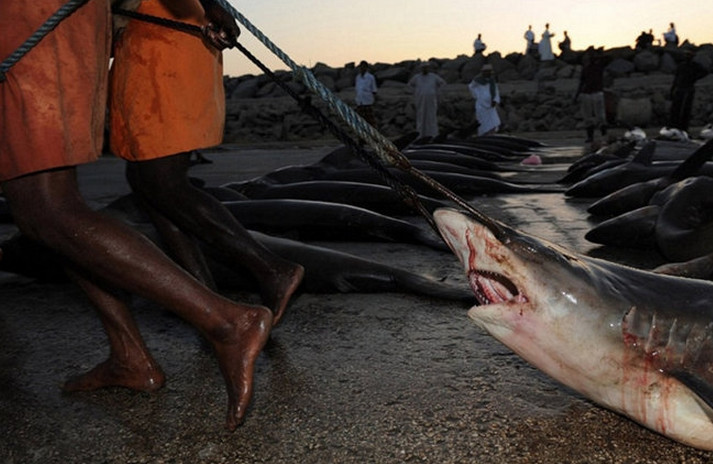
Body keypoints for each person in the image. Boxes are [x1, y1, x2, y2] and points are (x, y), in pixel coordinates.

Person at [0, 0, 301, 431]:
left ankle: (229, 319)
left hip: (36, 24)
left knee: (54, 208)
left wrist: (207, 6)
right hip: (68, 30)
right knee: (56, 214)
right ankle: (131, 353)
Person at [669, 49, 708, 132]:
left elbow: (705, 72)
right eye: (686, 54)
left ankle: (683, 128)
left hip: (688, 90)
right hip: (679, 89)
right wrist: (672, 89)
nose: (687, 56)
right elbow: (676, 79)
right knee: (676, 109)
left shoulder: (695, 66)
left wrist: (694, 78)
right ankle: (674, 127)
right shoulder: (681, 66)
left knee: (685, 109)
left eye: (689, 55)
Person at [574, 47, 608, 143]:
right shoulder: (588, 68)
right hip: (589, 94)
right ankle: (592, 137)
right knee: (589, 117)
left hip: (595, 93)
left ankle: (602, 135)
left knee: (600, 116)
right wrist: (577, 95)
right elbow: (582, 82)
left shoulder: (598, 66)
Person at [407, 63, 447, 139]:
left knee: (431, 117)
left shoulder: (433, 76)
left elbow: (443, 83)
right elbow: (409, 85)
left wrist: (437, 92)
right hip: (420, 100)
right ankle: (420, 135)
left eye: (426, 68)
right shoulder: (417, 77)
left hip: (431, 100)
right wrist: (415, 93)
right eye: (423, 68)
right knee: (421, 117)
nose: (425, 69)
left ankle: (433, 134)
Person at [468, 64, 501, 136]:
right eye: (486, 72)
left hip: (490, 105)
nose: (488, 73)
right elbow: (471, 87)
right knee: (482, 121)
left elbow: (496, 91)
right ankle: (483, 134)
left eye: (489, 72)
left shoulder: (492, 81)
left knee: (493, 121)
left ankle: (492, 133)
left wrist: (495, 100)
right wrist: (477, 96)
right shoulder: (477, 80)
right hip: (481, 105)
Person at [354, 60, 378, 126]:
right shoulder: (357, 77)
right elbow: (357, 89)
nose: (362, 68)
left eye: (363, 67)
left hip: (368, 101)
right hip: (360, 101)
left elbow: (374, 89)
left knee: (370, 119)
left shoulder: (370, 77)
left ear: (366, 68)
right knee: (359, 119)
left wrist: (375, 100)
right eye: (361, 67)